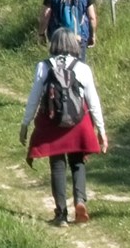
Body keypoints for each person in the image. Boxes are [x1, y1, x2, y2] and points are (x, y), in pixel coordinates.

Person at [20, 26, 105, 225]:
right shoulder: (82, 68)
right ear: (74, 45)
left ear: (54, 43)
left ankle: (61, 214)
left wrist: (25, 123)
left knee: (57, 166)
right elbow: (93, 102)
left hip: (52, 122)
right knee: (78, 162)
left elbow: (34, 98)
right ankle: (80, 202)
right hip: (78, 122)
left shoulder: (43, 67)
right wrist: (101, 130)